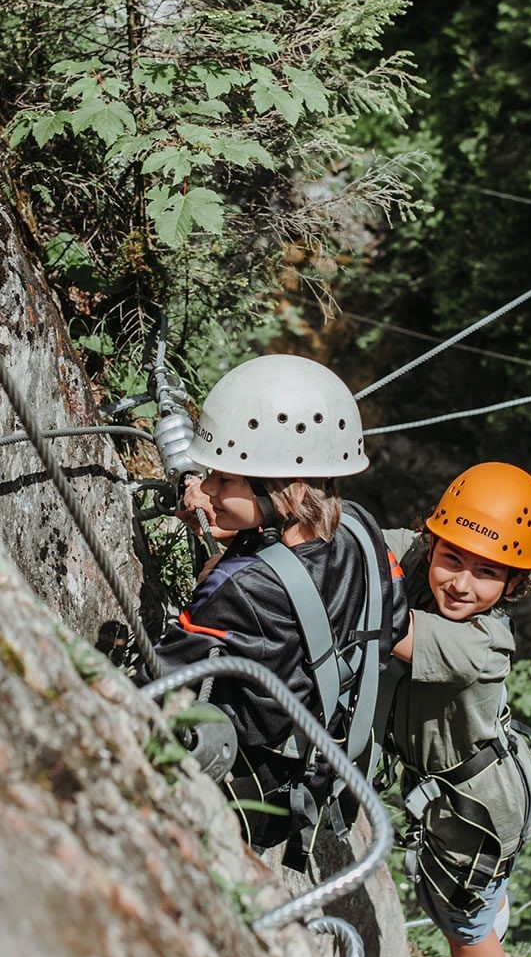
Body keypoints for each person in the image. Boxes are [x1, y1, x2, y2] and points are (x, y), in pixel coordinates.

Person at [152, 353, 409, 861]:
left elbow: (156, 681)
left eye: (224, 479)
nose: (207, 488)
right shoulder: (361, 529)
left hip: (243, 793)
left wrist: (222, 575)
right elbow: (392, 622)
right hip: (314, 778)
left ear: (284, 492)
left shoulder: (241, 587)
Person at [384, 462, 531, 957]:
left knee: (466, 923)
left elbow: (387, 628)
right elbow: (365, 539)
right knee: (477, 900)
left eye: (487, 573)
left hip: (475, 806)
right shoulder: (424, 565)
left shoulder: (479, 644)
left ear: (514, 583)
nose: (460, 583)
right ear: (432, 542)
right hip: (481, 784)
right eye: (451, 558)